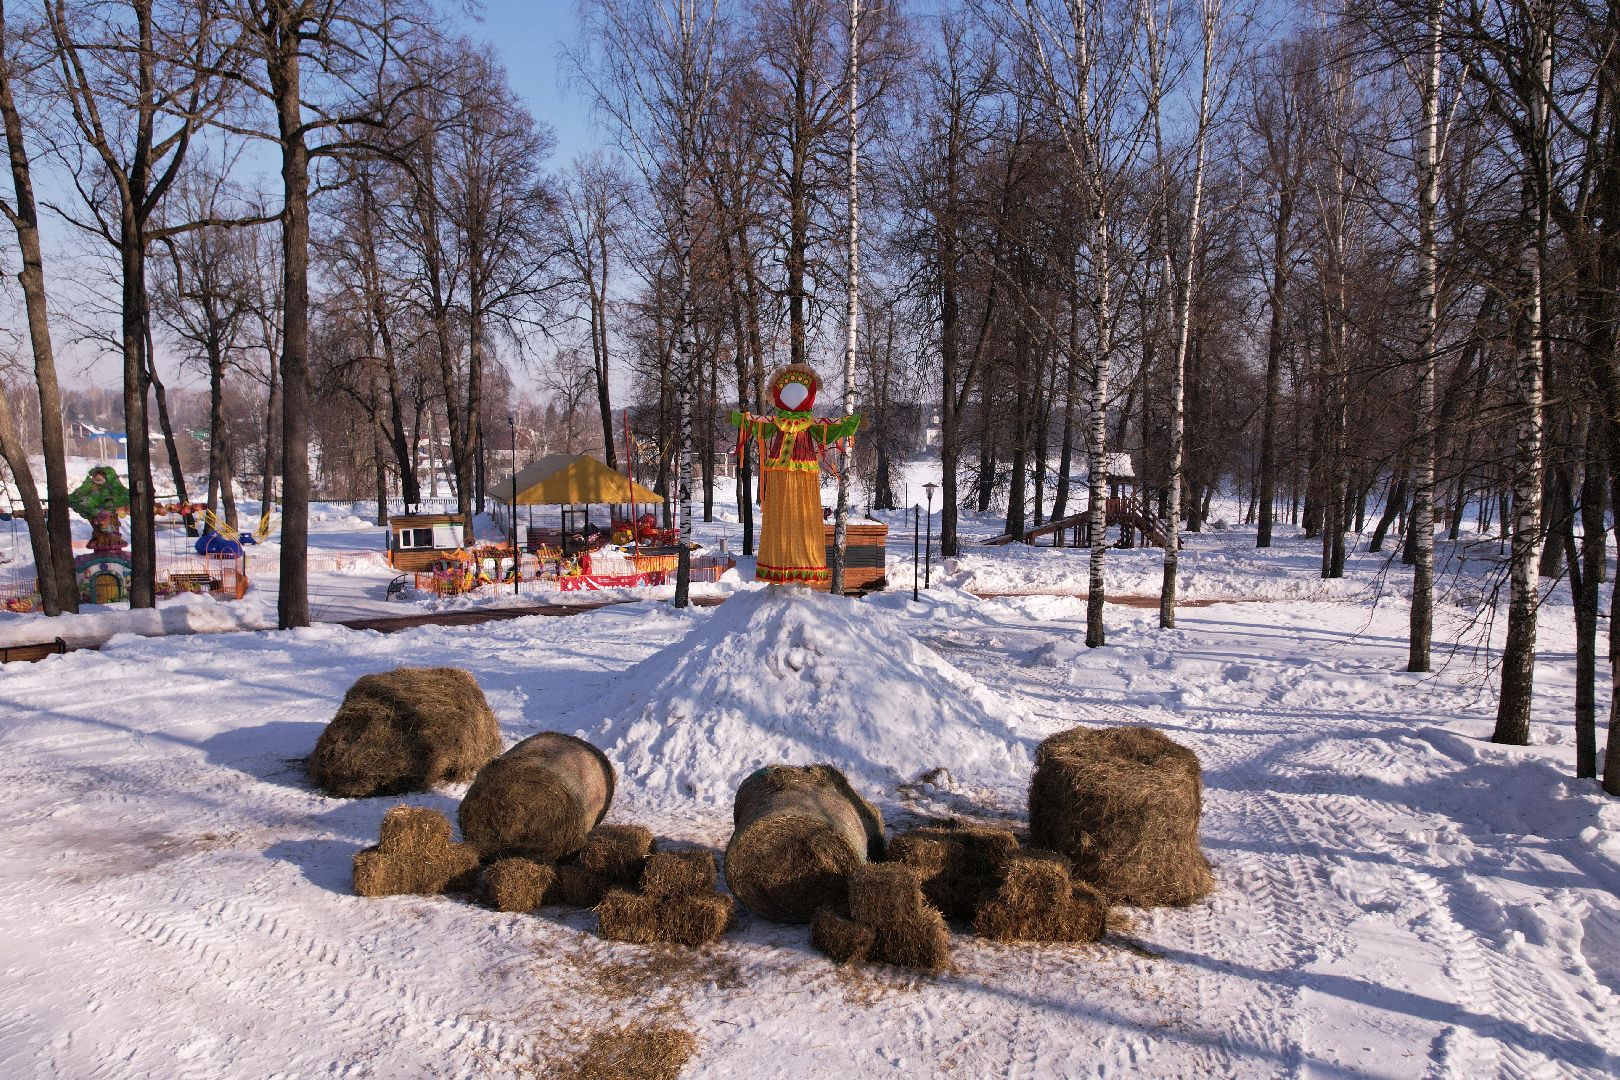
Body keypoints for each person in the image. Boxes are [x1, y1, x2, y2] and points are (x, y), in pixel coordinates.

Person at [730, 363, 859, 585]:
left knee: (804, 514)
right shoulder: (777, 422)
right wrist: (741, 419)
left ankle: (801, 569)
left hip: (804, 472)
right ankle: (780, 568)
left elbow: (830, 427)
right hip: (780, 473)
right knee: (780, 514)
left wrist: (848, 424)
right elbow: (757, 424)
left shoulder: (809, 423)